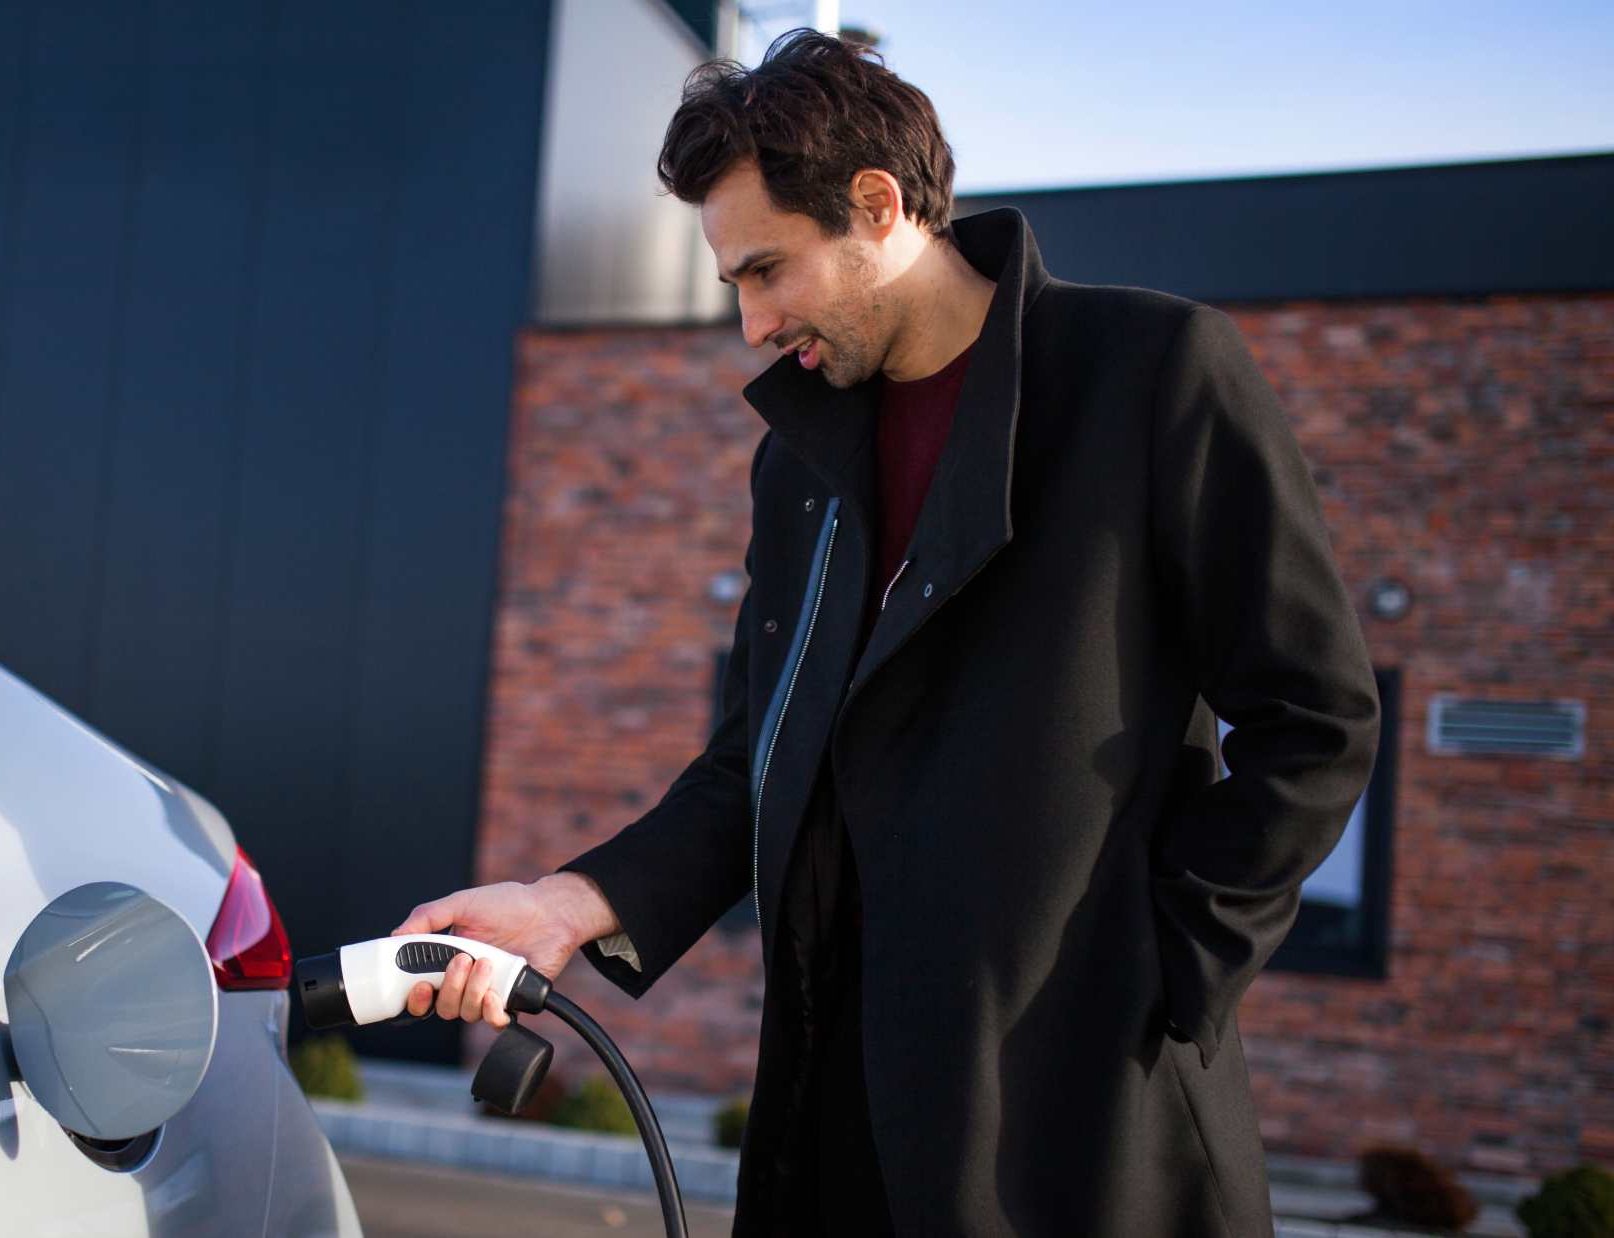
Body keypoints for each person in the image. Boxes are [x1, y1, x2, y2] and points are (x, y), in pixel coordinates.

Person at [392, 29, 1381, 1237]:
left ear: (877, 205)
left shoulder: (1148, 374)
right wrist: (567, 901)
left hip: (1079, 1125)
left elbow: (1317, 717)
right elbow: (754, 758)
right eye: (732, 285)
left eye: (768, 270)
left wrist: (1163, 964)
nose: (751, 324)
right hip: (837, 1118)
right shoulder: (797, 463)